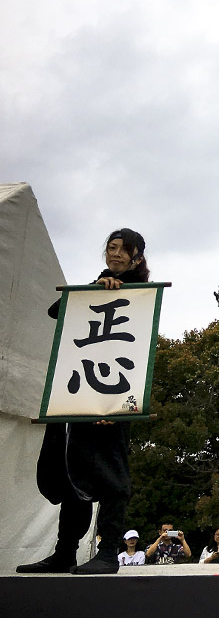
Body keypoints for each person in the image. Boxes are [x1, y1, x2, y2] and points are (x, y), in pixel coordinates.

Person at [15, 229, 149, 576]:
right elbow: (56, 311)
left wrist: (116, 405)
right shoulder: (96, 287)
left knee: (112, 480)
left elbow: (134, 354)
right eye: (111, 248)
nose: (115, 254)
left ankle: (108, 553)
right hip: (77, 396)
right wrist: (96, 286)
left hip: (112, 401)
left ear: (136, 258)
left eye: (124, 250)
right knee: (72, 476)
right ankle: (65, 552)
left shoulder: (141, 297)